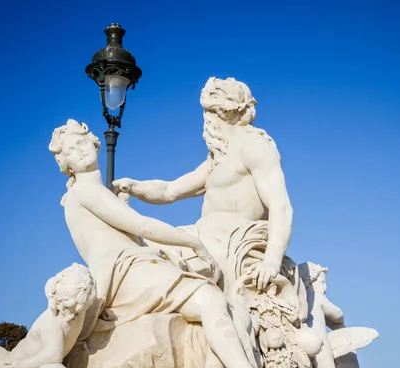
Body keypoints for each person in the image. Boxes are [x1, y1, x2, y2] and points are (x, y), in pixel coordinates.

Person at [48, 119, 276, 368]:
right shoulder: (85, 191)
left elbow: (140, 228)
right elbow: (142, 225)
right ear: (66, 165)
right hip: (127, 271)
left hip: (130, 269)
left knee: (217, 300)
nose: (81, 149)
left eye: (83, 141)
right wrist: (194, 243)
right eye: (71, 149)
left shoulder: (91, 194)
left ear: (95, 142)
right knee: (209, 298)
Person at [113, 77, 295, 295]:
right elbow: (169, 191)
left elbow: (280, 206)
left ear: (221, 113)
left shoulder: (254, 146)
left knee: (152, 256)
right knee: (137, 253)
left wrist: (272, 260)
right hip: (203, 237)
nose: (205, 122)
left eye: (207, 113)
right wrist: (132, 186)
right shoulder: (217, 159)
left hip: (231, 243)